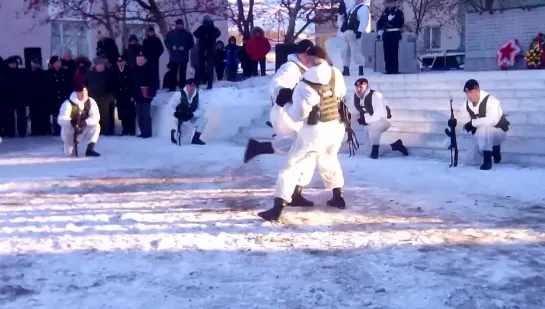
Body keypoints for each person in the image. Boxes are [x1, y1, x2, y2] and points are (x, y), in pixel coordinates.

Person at [257, 46, 348, 222]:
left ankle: (277, 207)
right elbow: (341, 94)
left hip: (314, 131)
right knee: (329, 159)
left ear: (310, 59)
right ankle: (338, 196)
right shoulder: (336, 73)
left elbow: (298, 115)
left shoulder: (304, 83)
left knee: (291, 166)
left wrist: (286, 103)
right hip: (336, 127)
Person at [244, 39, 315, 207]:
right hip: (289, 114)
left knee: (302, 151)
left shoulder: (312, 69)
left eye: (308, 54)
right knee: (302, 152)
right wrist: (281, 92)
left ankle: (259, 148)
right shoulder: (290, 68)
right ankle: (292, 193)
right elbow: (277, 83)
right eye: (303, 54)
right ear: (298, 54)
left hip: (302, 116)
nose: (306, 57)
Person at [450, 79, 510, 170]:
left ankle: (488, 160)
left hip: (498, 132)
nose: (469, 95)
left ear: (477, 90)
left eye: (471, 92)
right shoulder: (466, 105)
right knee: (469, 159)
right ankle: (492, 151)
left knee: (484, 128)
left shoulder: (492, 101)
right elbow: (463, 121)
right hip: (480, 135)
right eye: (467, 93)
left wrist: (473, 123)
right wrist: (454, 123)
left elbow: (492, 120)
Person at [349, 78, 408, 158]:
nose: (359, 89)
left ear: (366, 87)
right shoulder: (355, 97)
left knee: (373, 127)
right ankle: (395, 146)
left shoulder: (375, 95)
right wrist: (348, 121)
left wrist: (365, 120)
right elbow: (354, 112)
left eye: (361, 87)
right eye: (357, 87)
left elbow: (380, 114)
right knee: (367, 152)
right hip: (369, 123)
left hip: (383, 120)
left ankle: (375, 148)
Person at [57, 83, 101, 157]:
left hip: (82, 129)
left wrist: (85, 122)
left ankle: (90, 149)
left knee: (96, 126)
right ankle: (70, 146)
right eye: (80, 92)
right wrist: (71, 122)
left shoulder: (91, 102)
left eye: (85, 92)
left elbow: (96, 116)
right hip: (70, 132)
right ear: (76, 93)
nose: (83, 95)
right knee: (68, 154)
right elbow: (60, 119)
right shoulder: (68, 103)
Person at [169, 78, 207, 145]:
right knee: (181, 141)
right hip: (179, 117)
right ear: (186, 86)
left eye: (193, 86)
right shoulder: (178, 94)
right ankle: (174, 133)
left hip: (190, 117)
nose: (192, 88)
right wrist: (176, 114)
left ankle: (196, 138)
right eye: (190, 85)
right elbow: (170, 106)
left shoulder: (199, 96)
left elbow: (202, 110)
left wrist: (193, 114)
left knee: (204, 119)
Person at [338, 0, 370, 76]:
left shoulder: (363, 8)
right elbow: (346, 18)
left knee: (355, 50)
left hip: (354, 32)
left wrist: (360, 31)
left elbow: (364, 20)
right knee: (344, 51)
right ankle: (346, 68)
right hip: (347, 31)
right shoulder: (352, 8)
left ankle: (360, 68)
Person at [85, 57, 115, 135]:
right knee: (94, 113)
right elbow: (85, 84)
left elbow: (113, 85)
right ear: (96, 66)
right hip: (93, 96)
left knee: (105, 114)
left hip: (105, 96)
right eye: (99, 65)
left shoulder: (108, 74)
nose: (101, 67)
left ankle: (106, 130)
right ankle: (95, 130)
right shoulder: (89, 74)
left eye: (102, 65)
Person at [131, 52, 155, 138]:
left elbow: (154, 83)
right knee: (139, 115)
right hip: (137, 96)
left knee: (146, 115)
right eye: (138, 60)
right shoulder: (134, 70)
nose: (140, 61)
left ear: (145, 60)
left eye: (141, 60)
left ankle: (147, 133)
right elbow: (132, 84)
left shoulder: (150, 70)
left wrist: (151, 93)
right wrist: (132, 95)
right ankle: (142, 131)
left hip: (146, 96)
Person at [193, 15, 221, 89]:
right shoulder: (201, 28)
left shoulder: (213, 28)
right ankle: (197, 83)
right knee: (199, 67)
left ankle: (209, 84)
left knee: (210, 68)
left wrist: (211, 27)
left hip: (210, 51)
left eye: (207, 22)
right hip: (202, 50)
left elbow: (218, 33)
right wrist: (202, 30)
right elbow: (195, 34)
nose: (206, 24)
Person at [164, 19, 194, 88]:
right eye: (177, 24)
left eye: (180, 25)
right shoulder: (171, 33)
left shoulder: (187, 34)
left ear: (182, 25)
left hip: (183, 56)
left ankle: (182, 86)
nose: (178, 26)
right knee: (173, 72)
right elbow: (166, 42)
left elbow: (191, 44)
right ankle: (172, 87)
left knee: (182, 73)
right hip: (174, 56)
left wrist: (185, 47)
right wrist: (171, 47)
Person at [377, 0, 404, 74]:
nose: (390, 4)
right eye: (388, 2)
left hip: (394, 34)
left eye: (391, 2)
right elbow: (379, 23)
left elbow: (400, 23)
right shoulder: (385, 13)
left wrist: (392, 22)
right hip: (386, 34)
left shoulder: (398, 12)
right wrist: (379, 30)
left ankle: (394, 69)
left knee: (394, 52)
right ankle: (388, 69)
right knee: (387, 52)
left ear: (395, 3)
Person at [46, 56, 71, 135]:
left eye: (59, 62)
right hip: (54, 97)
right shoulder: (48, 73)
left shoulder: (65, 72)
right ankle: (56, 130)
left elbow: (68, 85)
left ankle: (65, 130)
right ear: (52, 64)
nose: (58, 64)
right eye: (56, 62)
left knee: (65, 114)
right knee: (55, 114)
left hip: (64, 97)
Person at [1, 56, 25, 137]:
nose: (13, 65)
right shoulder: (4, 73)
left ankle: (22, 131)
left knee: (21, 115)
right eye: (11, 63)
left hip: (19, 97)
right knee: (9, 116)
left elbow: (23, 85)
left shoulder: (20, 73)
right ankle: (10, 132)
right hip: (9, 98)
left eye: (15, 63)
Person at [112, 56, 135, 135]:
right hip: (120, 95)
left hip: (128, 95)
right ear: (117, 63)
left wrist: (132, 95)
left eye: (122, 62)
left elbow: (132, 83)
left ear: (125, 62)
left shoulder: (130, 70)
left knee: (130, 113)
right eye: (119, 62)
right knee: (122, 113)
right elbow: (114, 84)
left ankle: (132, 130)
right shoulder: (115, 71)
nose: (120, 63)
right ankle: (125, 129)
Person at [26, 57, 49, 136]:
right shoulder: (28, 72)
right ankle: (34, 130)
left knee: (41, 114)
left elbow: (45, 85)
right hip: (32, 97)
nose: (34, 65)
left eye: (35, 63)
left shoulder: (42, 73)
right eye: (33, 63)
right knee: (33, 114)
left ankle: (41, 130)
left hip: (40, 96)